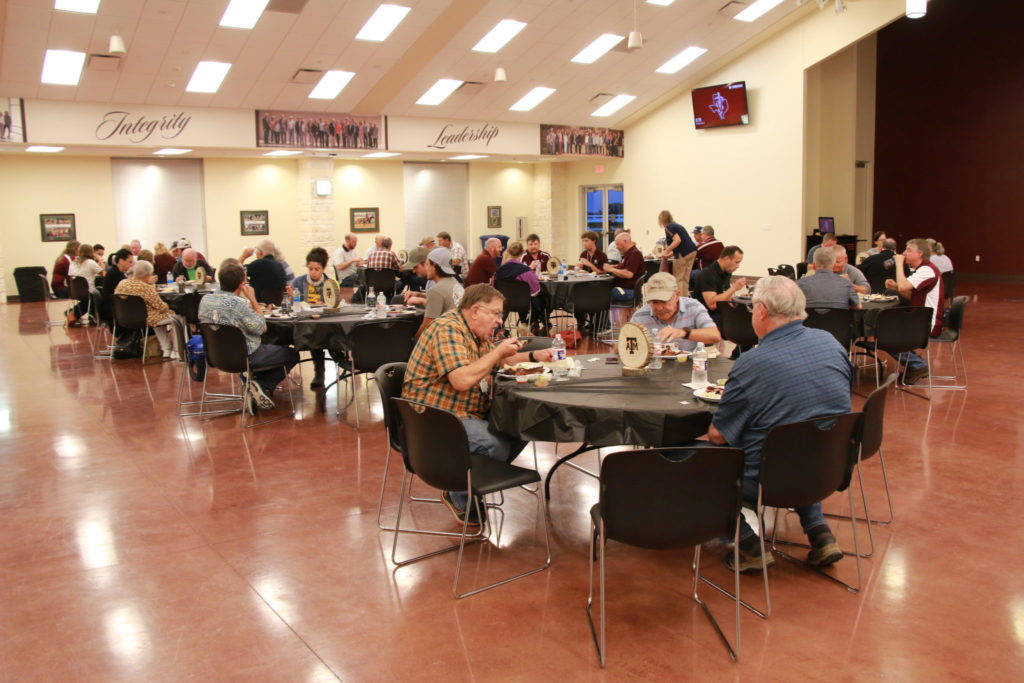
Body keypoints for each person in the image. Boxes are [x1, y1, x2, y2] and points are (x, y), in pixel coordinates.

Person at [705, 275, 851, 572]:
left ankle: (748, 545)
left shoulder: (753, 363)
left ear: (760, 311)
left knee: (694, 465)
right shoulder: (831, 343)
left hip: (768, 479)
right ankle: (819, 532)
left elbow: (718, 435)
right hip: (829, 467)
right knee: (800, 444)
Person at [402, 284, 553, 525]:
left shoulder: (472, 332)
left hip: (464, 413)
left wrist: (535, 356)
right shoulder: (447, 329)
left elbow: (500, 360)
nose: (499, 320)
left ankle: (466, 481)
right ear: (475, 311)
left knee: (525, 425)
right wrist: (497, 353)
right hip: (434, 421)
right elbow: (461, 379)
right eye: (495, 313)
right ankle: (459, 494)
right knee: (494, 445)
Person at [199, 264, 299, 414]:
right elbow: (262, 328)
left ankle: (253, 384)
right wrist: (252, 299)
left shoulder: (205, 300)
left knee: (265, 346)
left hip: (216, 356)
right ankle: (263, 386)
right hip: (244, 356)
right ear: (241, 285)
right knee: (291, 354)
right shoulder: (239, 304)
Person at [884, 238, 944, 385]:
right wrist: (896, 288)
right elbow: (913, 295)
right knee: (886, 328)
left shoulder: (927, 269)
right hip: (919, 319)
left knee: (885, 336)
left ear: (920, 254)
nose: (903, 253)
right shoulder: (922, 269)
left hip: (927, 324)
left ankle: (917, 365)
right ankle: (914, 363)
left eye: (908, 250)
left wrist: (898, 264)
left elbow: (904, 286)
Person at [630, 272, 721, 351]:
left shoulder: (693, 307)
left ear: (677, 295)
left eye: (664, 301)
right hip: (654, 366)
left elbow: (715, 335)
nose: (659, 307)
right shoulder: (640, 316)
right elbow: (626, 345)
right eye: (654, 302)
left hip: (688, 366)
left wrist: (685, 333)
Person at [113, 260, 182, 360]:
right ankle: (176, 351)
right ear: (148, 274)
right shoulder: (146, 288)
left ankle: (166, 349)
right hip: (146, 319)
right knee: (178, 318)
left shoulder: (122, 283)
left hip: (124, 318)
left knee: (157, 318)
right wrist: (168, 306)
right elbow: (161, 307)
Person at [291, 247, 338, 388]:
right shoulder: (298, 282)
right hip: (308, 322)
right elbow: (295, 306)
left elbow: (332, 304)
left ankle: (337, 357)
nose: (313, 272)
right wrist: (294, 298)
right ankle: (319, 371)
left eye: (317, 269)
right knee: (314, 334)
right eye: (310, 268)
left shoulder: (330, 283)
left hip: (325, 320)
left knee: (327, 333)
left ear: (323, 269)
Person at [409, 247, 465, 338]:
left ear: (434, 266)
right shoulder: (455, 283)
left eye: (427, 264)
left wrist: (413, 338)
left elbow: (428, 326)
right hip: (461, 335)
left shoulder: (436, 289)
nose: (426, 268)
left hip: (448, 338)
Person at [494, 241, 547, 330]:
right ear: (522, 252)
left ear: (509, 252)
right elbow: (536, 290)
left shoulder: (499, 270)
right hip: (524, 303)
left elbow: (494, 287)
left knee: (521, 298)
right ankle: (528, 323)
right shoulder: (526, 270)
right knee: (542, 300)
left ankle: (523, 323)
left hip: (504, 303)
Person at [697, 246, 746, 321]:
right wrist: (734, 288)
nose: (738, 266)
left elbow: (726, 297)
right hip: (707, 316)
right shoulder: (707, 274)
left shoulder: (726, 272)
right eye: (737, 262)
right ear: (727, 259)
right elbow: (712, 305)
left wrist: (739, 299)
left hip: (721, 312)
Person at [658, 210, 698, 295]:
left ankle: (680, 300)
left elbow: (677, 240)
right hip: (692, 251)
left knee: (678, 278)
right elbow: (683, 241)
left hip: (683, 253)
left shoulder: (668, 227)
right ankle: (685, 298)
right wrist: (671, 253)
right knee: (685, 279)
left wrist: (666, 251)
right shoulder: (678, 225)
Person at [66, 243, 105, 325]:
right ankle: (93, 315)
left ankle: (73, 312)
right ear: (91, 252)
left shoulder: (73, 262)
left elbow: (70, 277)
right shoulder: (90, 262)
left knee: (88, 299)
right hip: (88, 291)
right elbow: (104, 274)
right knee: (100, 292)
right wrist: (99, 259)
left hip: (74, 291)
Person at [601, 231, 644, 303]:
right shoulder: (628, 253)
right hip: (623, 288)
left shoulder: (635, 254)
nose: (617, 247)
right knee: (601, 290)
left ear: (625, 241)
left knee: (603, 292)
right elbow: (624, 267)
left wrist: (611, 269)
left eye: (618, 244)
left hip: (629, 291)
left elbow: (628, 274)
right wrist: (615, 267)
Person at [100, 248, 135, 329]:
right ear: (121, 260)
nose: (131, 265)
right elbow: (130, 290)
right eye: (129, 262)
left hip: (114, 307)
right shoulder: (116, 274)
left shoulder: (115, 271)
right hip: (114, 311)